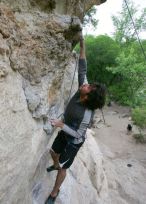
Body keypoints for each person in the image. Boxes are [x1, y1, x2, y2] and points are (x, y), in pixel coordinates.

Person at [45, 34, 106, 204]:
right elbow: (82, 68)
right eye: (88, 84)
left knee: (63, 168)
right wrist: (82, 43)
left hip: (74, 142)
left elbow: (79, 134)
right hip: (65, 132)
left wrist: (60, 124)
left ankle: (54, 193)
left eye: (88, 87)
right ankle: (55, 164)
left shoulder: (87, 114)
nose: (85, 84)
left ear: (89, 97)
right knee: (52, 152)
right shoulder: (82, 90)